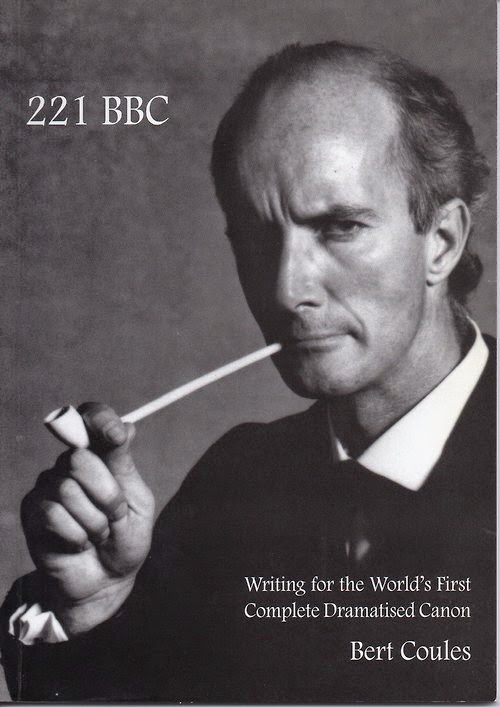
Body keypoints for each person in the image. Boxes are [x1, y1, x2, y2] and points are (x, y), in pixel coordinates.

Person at [1, 41, 495, 703]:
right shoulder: (232, 485)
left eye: (340, 226)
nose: (287, 290)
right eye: (257, 237)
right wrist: (93, 605)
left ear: (442, 241)